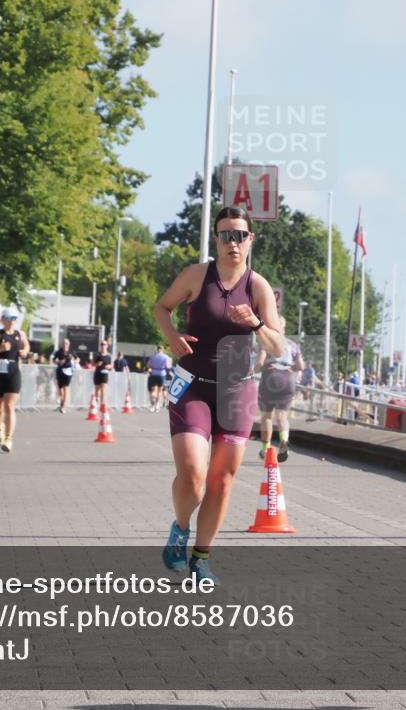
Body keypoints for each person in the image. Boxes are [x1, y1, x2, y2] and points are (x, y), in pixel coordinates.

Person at [153, 206, 284, 584]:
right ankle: (180, 529)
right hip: (192, 385)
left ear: (250, 240)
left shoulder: (257, 286)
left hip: (237, 390)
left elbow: (277, 347)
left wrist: (256, 324)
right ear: (216, 239)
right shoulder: (197, 275)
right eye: (225, 235)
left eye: (239, 235)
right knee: (193, 473)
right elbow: (162, 307)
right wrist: (172, 336)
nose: (233, 242)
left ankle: (201, 556)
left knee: (221, 479)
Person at [256, 317, 304, 462]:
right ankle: (284, 439)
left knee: (267, 416)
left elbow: (259, 363)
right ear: (284, 328)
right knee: (282, 416)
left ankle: (266, 449)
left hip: (271, 377)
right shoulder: (293, 345)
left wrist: (256, 369)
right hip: (287, 379)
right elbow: (301, 366)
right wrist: (290, 368)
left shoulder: (267, 343)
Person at [0, 308, 29, 452]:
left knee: (10, 406)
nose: (12, 321)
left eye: (14, 318)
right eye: (9, 318)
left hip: (13, 373)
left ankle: (9, 439)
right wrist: (0, 349)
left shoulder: (20, 334)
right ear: (3, 319)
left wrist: (25, 352)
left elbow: (26, 345)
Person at [146, 345, 172, 413]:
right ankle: (157, 405)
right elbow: (168, 366)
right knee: (159, 391)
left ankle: (152, 403)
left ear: (157, 349)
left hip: (153, 374)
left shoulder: (152, 356)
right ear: (163, 350)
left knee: (152, 390)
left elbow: (148, 365)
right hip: (162, 374)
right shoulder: (166, 357)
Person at [53, 338, 76, 413]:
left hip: (68, 371)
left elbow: (77, 359)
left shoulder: (71, 351)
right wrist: (59, 361)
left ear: (69, 345)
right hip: (60, 370)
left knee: (66, 387)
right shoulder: (59, 352)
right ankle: (62, 402)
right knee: (60, 389)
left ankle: (64, 406)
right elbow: (54, 359)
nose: (65, 345)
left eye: (66, 343)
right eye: (64, 343)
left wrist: (74, 361)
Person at [93, 341, 112, 408]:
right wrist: (98, 364)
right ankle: (95, 402)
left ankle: (102, 405)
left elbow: (111, 365)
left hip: (105, 373)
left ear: (107, 346)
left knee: (103, 389)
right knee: (97, 390)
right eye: (101, 344)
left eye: (104, 344)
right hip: (98, 373)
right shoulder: (97, 355)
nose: (103, 346)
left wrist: (108, 366)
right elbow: (93, 364)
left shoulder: (109, 356)